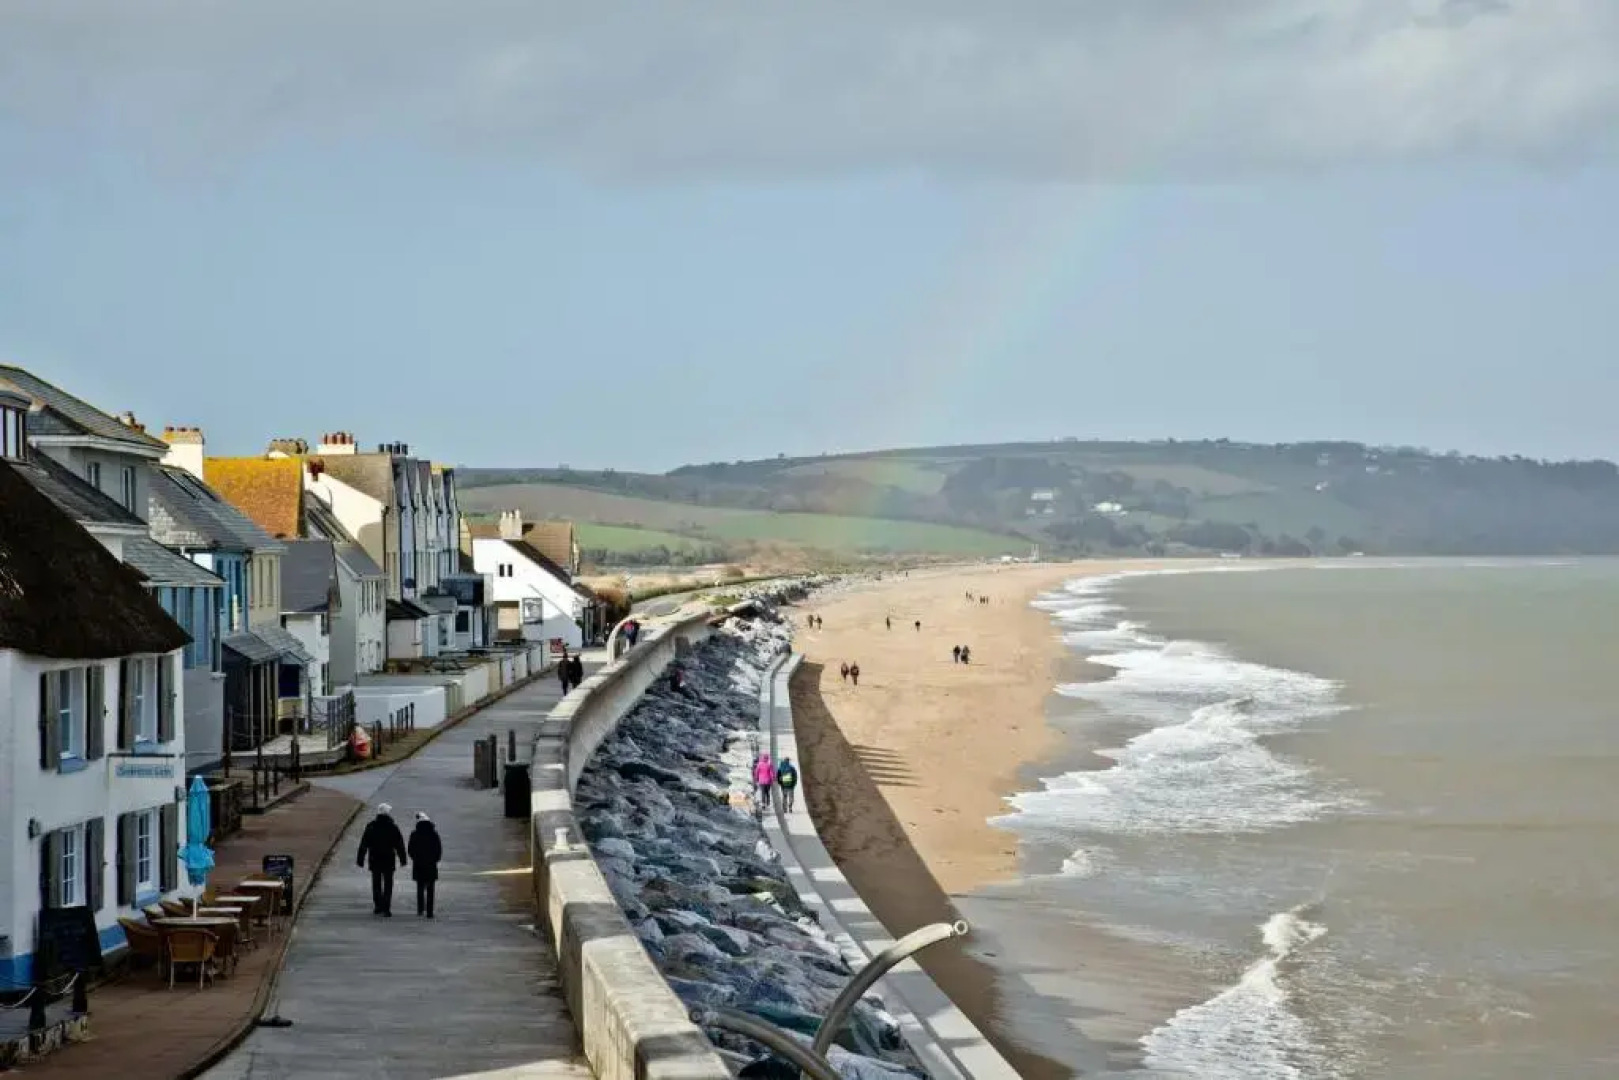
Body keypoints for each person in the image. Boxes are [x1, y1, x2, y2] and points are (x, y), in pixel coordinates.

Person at [357, 803, 408, 917]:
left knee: (376, 883)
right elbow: (399, 844)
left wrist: (360, 859)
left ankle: (378, 905)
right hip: (388, 858)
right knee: (388, 883)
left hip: (374, 858)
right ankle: (386, 907)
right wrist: (402, 859)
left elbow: (364, 843)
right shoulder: (392, 827)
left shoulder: (371, 826)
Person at [407, 812, 443, 918]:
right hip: (431, 864)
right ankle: (430, 911)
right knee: (431, 889)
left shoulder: (414, 834)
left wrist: (415, 858)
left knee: (420, 888)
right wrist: (435, 859)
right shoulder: (434, 834)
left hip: (418, 864)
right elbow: (438, 849)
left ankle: (420, 909)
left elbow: (410, 849)